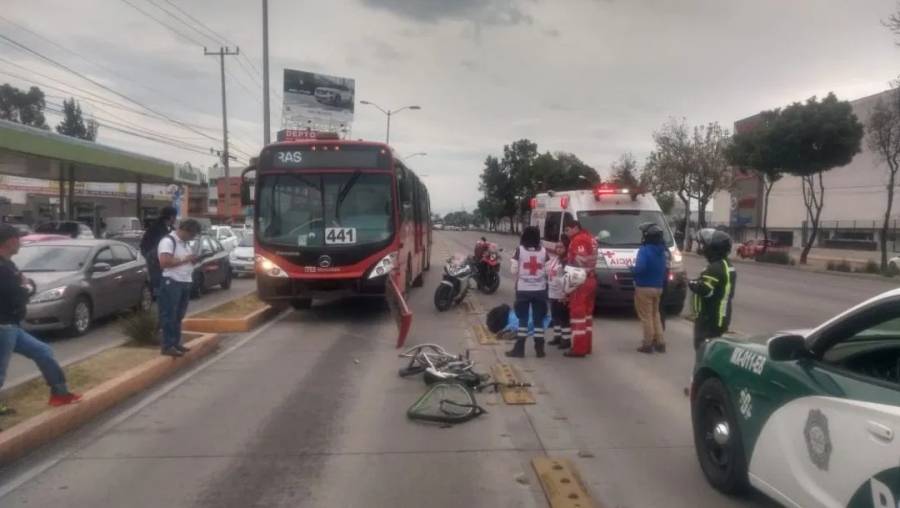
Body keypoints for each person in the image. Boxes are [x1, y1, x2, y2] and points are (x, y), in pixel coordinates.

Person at [0, 224, 82, 416]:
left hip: (12, 325)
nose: (20, 243)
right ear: (9, 241)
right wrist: (25, 288)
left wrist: (26, 288)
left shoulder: (9, 265)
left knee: (43, 351)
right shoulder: (2, 269)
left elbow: (26, 286)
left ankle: (60, 393)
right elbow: (18, 294)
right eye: (18, 239)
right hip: (3, 326)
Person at [157, 219, 202, 357]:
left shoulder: (184, 243)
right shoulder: (168, 241)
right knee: (169, 314)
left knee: (178, 315)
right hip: (172, 281)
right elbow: (164, 262)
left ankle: (175, 343)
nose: (192, 237)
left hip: (184, 281)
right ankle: (167, 345)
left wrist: (192, 260)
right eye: (192, 234)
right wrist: (186, 259)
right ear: (185, 230)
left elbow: (185, 259)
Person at [689, 228, 736, 351]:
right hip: (721, 316)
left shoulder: (715, 268)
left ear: (714, 248)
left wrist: (692, 283)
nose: (703, 248)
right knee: (712, 348)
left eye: (705, 245)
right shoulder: (727, 265)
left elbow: (706, 290)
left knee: (703, 350)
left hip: (709, 318)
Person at [507, 226, 549, 358]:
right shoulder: (544, 251)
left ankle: (519, 349)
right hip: (540, 290)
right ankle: (540, 349)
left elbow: (513, 271)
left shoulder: (519, 251)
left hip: (523, 290)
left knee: (523, 320)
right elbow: (548, 271)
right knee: (538, 320)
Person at [563, 218, 598, 358]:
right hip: (591, 278)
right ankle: (586, 345)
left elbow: (580, 260)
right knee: (587, 316)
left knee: (577, 316)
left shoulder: (578, 240)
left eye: (567, 230)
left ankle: (578, 349)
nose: (566, 233)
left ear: (575, 228)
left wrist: (569, 261)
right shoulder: (591, 238)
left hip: (580, 280)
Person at [633, 223, 668, 354]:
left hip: (644, 287)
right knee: (655, 314)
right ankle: (660, 342)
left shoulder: (645, 250)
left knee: (646, 316)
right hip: (658, 287)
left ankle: (647, 344)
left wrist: (633, 271)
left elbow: (640, 268)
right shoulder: (662, 250)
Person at [140, 206, 178, 299]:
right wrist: (152, 257)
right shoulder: (156, 228)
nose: (175, 219)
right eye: (175, 217)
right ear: (171, 217)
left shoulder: (170, 228)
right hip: (156, 262)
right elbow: (145, 245)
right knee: (159, 287)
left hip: (164, 263)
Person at [547, 241, 572, 350]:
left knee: (563, 318)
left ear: (566, 248)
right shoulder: (555, 259)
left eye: (561, 247)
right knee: (555, 317)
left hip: (562, 294)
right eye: (557, 247)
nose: (558, 249)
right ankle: (557, 337)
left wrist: (565, 294)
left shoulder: (566, 261)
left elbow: (568, 279)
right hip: (552, 293)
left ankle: (566, 339)